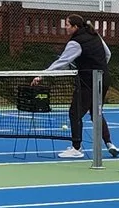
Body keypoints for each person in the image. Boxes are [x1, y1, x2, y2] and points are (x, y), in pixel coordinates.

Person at [32, 14, 112, 159]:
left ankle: (76, 148)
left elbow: (62, 62)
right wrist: (99, 67)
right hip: (104, 79)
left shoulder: (75, 43)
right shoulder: (95, 35)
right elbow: (108, 54)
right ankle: (109, 143)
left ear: (75, 27)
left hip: (88, 82)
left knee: (75, 113)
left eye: (67, 25)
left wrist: (42, 75)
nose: (65, 27)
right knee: (96, 112)